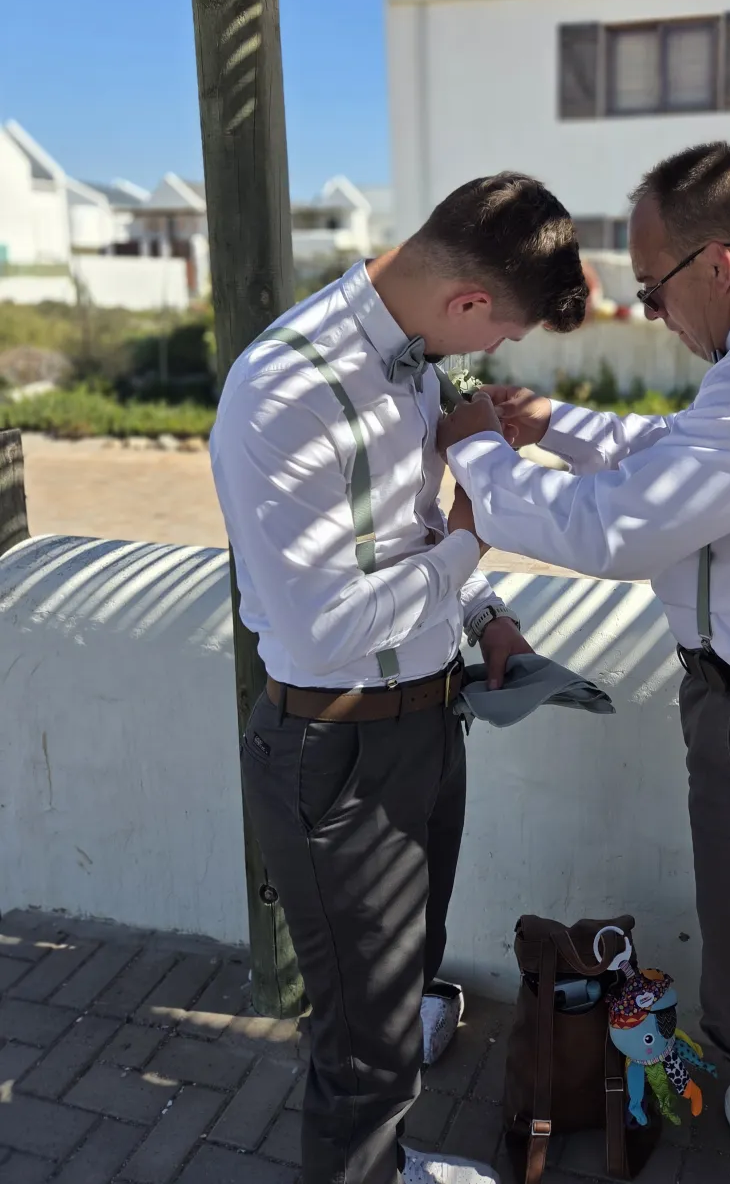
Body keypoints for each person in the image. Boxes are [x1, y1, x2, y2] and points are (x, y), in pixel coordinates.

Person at [438, 142, 730, 1184]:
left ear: (719, 264)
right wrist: (556, 426)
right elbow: (691, 455)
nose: (653, 311)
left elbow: (623, 527)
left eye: (654, 288)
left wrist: (478, 450)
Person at [209, 173, 588, 1184]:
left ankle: (388, 1162)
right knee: (361, 1048)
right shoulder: (286, 388)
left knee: (404, 987)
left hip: (426, 723)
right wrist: (472, 541)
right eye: (500, 332)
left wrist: (486, 617)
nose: (491, 354)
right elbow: (324, 625)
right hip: (337, 752)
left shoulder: (412, 363)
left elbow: (409, 537)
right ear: (468, 300)